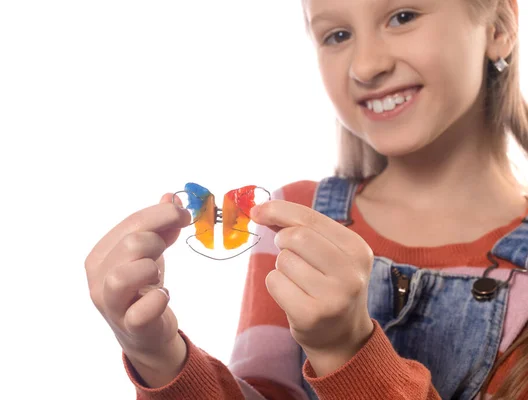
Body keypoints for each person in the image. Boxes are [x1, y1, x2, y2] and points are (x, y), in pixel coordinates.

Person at [84, 0, 528, 398]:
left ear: (500, 27)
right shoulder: (294, 218)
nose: (366, 66)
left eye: (403, 17)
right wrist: (160, 357)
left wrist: (347, 351)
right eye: (337, 35)